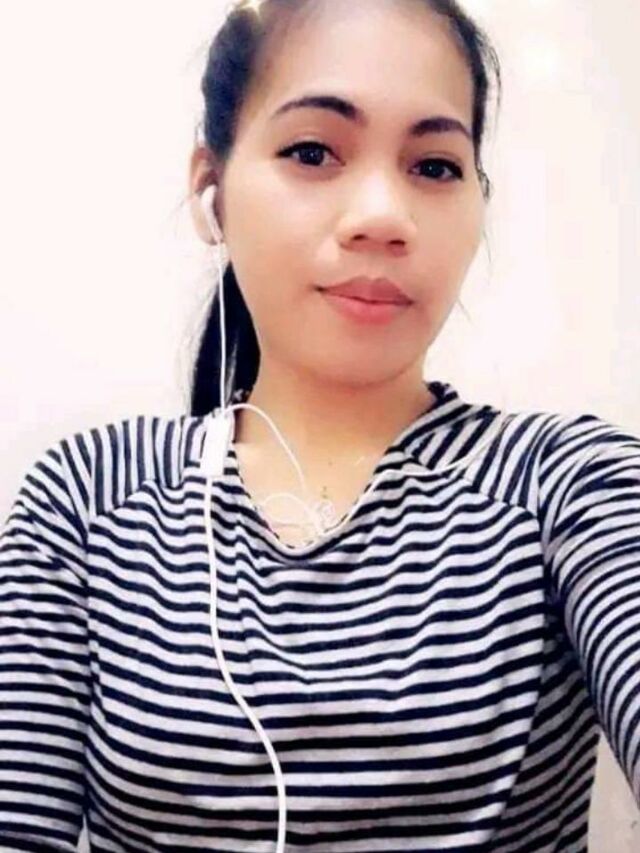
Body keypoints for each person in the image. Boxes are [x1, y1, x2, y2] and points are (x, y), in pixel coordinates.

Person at [0, 0, 638, 850]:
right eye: (312, 151)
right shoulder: (87, 500)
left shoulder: (570, 485)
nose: (384, 214)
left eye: (435, 165)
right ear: (212, 190)